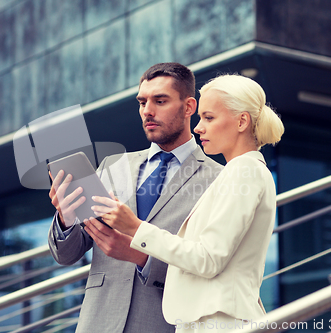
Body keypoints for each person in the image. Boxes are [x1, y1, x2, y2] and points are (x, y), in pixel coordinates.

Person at [89, 73, 284, 332]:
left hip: (218, 322)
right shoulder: (241, 171)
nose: (197, 127)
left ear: (241, 121)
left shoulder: (243, 171)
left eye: (209, 118)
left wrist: (136, 228)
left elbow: (207, 258)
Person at [48, 63, 223, 333]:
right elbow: (66, 255)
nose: (147, 111)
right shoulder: (112, 166)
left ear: (189, 107)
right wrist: (66, 218)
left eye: (160, 101)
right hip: (98, 322)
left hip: (161, 324)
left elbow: (210, 268)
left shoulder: (218, 180)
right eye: (142, 102)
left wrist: (142, 258)